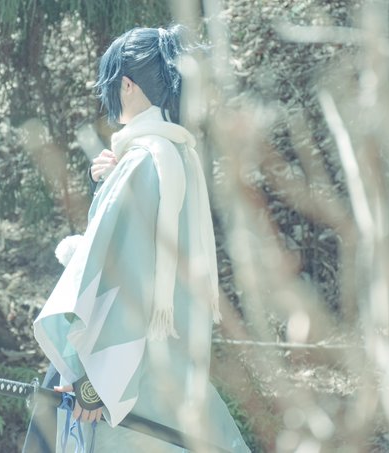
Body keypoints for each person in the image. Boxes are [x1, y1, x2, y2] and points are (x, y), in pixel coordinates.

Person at [28, 25, 250, 452]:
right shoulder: (178, 154)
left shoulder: (143, 162)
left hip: (128, 383)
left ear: (127, 85)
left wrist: (95, 382)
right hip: (171, 371)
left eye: (112, 85)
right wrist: (107, 185)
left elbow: (125, 278)